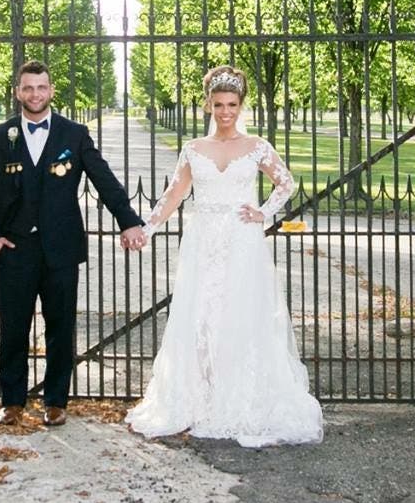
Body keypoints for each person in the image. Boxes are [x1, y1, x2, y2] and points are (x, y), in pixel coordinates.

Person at [126, 64, 323, 448]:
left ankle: (243, 397)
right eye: (219, 104)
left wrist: (263, 212)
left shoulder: (256, 146)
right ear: (208, 105)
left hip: (241, 241)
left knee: (241, 314)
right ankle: (202, 396)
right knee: (201, 313)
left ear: (241, 104)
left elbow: (286, 183)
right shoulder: (194, 149)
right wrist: (146, 228)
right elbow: (173, 195)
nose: (226, 111)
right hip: (202, 242)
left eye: (232, 104)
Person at [0, 60, 147, 430]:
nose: (35, 94)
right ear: (18, 92)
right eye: (28, 88)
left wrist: (129, 220)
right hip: (14, 251)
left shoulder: (74, 134)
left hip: (61, 250)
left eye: (41, 87)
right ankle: (12, 401)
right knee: (13, 328)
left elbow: (104, 179)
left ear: (51, 91)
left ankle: (55, 401)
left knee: (60, 327)